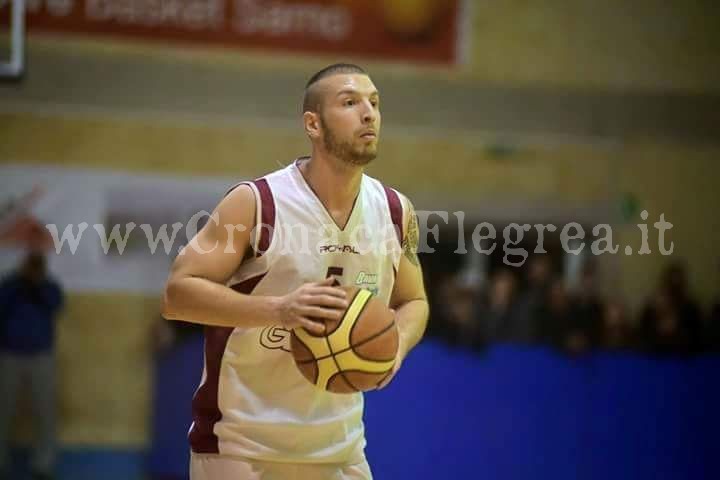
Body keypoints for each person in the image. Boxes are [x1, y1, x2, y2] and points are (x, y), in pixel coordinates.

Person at [162, 63, 428, 480]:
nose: (368, 113)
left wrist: (396, 346)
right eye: (350, 102)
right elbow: (178, 295)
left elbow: (414, 300)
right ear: (313, 123)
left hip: (341, 451)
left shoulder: (396, 210)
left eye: (374, 102)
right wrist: (280, 310)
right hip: (240, 448)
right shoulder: (256, 202)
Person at [0, 252, 64, 480]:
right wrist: (21, 284)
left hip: (41, 358)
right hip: (10, 356)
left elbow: (57, 305)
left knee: (45, 412)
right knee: (3, 410)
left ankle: (43, 465)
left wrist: (37, 286)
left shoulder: (49, 287)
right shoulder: (10, 285)